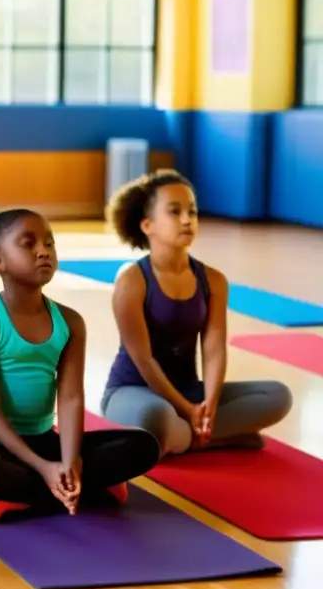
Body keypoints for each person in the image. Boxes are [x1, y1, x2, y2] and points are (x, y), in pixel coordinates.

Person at [0, 202, 160, 524]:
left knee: (145, 445)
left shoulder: (70, 322)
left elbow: (70, 397)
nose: (43, 251)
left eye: (49, 243)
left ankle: (35, 493)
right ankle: (80, 488)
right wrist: (43, 467)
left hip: (45, 440)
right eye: (28, 243)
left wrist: (69, 459)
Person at [100, 169, 292, 456]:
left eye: (192, 211)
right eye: (174, 212)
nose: (187, 220)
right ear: (147, 224)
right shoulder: (132, 280)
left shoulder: (213, 280)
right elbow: (143, 359)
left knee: (278, 396)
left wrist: (210, 404)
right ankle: (215, 437)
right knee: (155, 420)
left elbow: (214, 349)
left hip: (191, 391)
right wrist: (186, 409)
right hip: (133, 392)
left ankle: (188, 437)